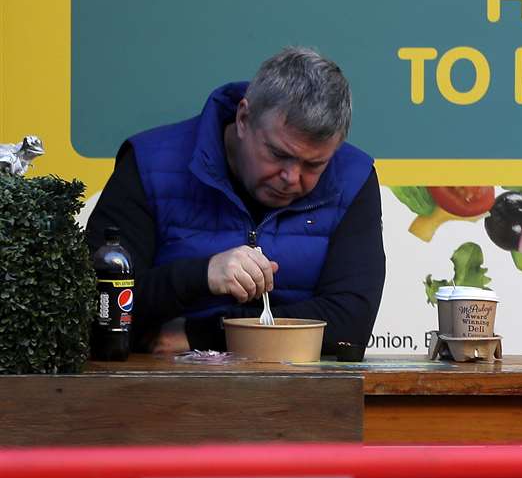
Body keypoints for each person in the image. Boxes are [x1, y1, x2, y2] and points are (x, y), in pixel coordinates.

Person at [87, 47, 385, 355]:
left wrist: (201, 335)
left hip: (301, 397)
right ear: (243, 118)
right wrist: (201, 275)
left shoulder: (353, 177)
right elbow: (95, 306)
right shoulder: (149, 164)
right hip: (155, 395)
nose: (291, 177)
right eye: (278, 154)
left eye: (314, 165)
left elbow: (349, 326)